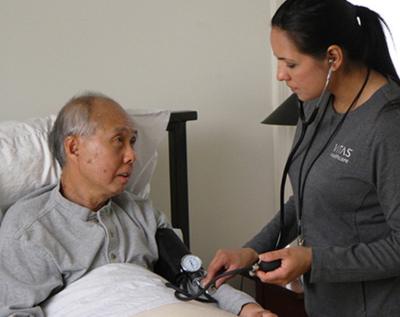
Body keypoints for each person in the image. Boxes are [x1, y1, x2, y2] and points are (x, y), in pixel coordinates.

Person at [204, 0, 400, 316]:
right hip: (325, 305)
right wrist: (252, 251)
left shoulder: (389, 126)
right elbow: (307, 198)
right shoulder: (314, 104)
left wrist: (313, 260)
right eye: (278, 61)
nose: (281, 75)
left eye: (291, 64)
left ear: (333, 57)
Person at [0, 93, 277, 317]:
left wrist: (245, 307)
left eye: (132, 141)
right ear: (74, 148)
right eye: (118, 141)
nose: (132, 155)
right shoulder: (27, 229)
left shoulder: (142, 214)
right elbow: (16, 312)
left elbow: (192, 278)